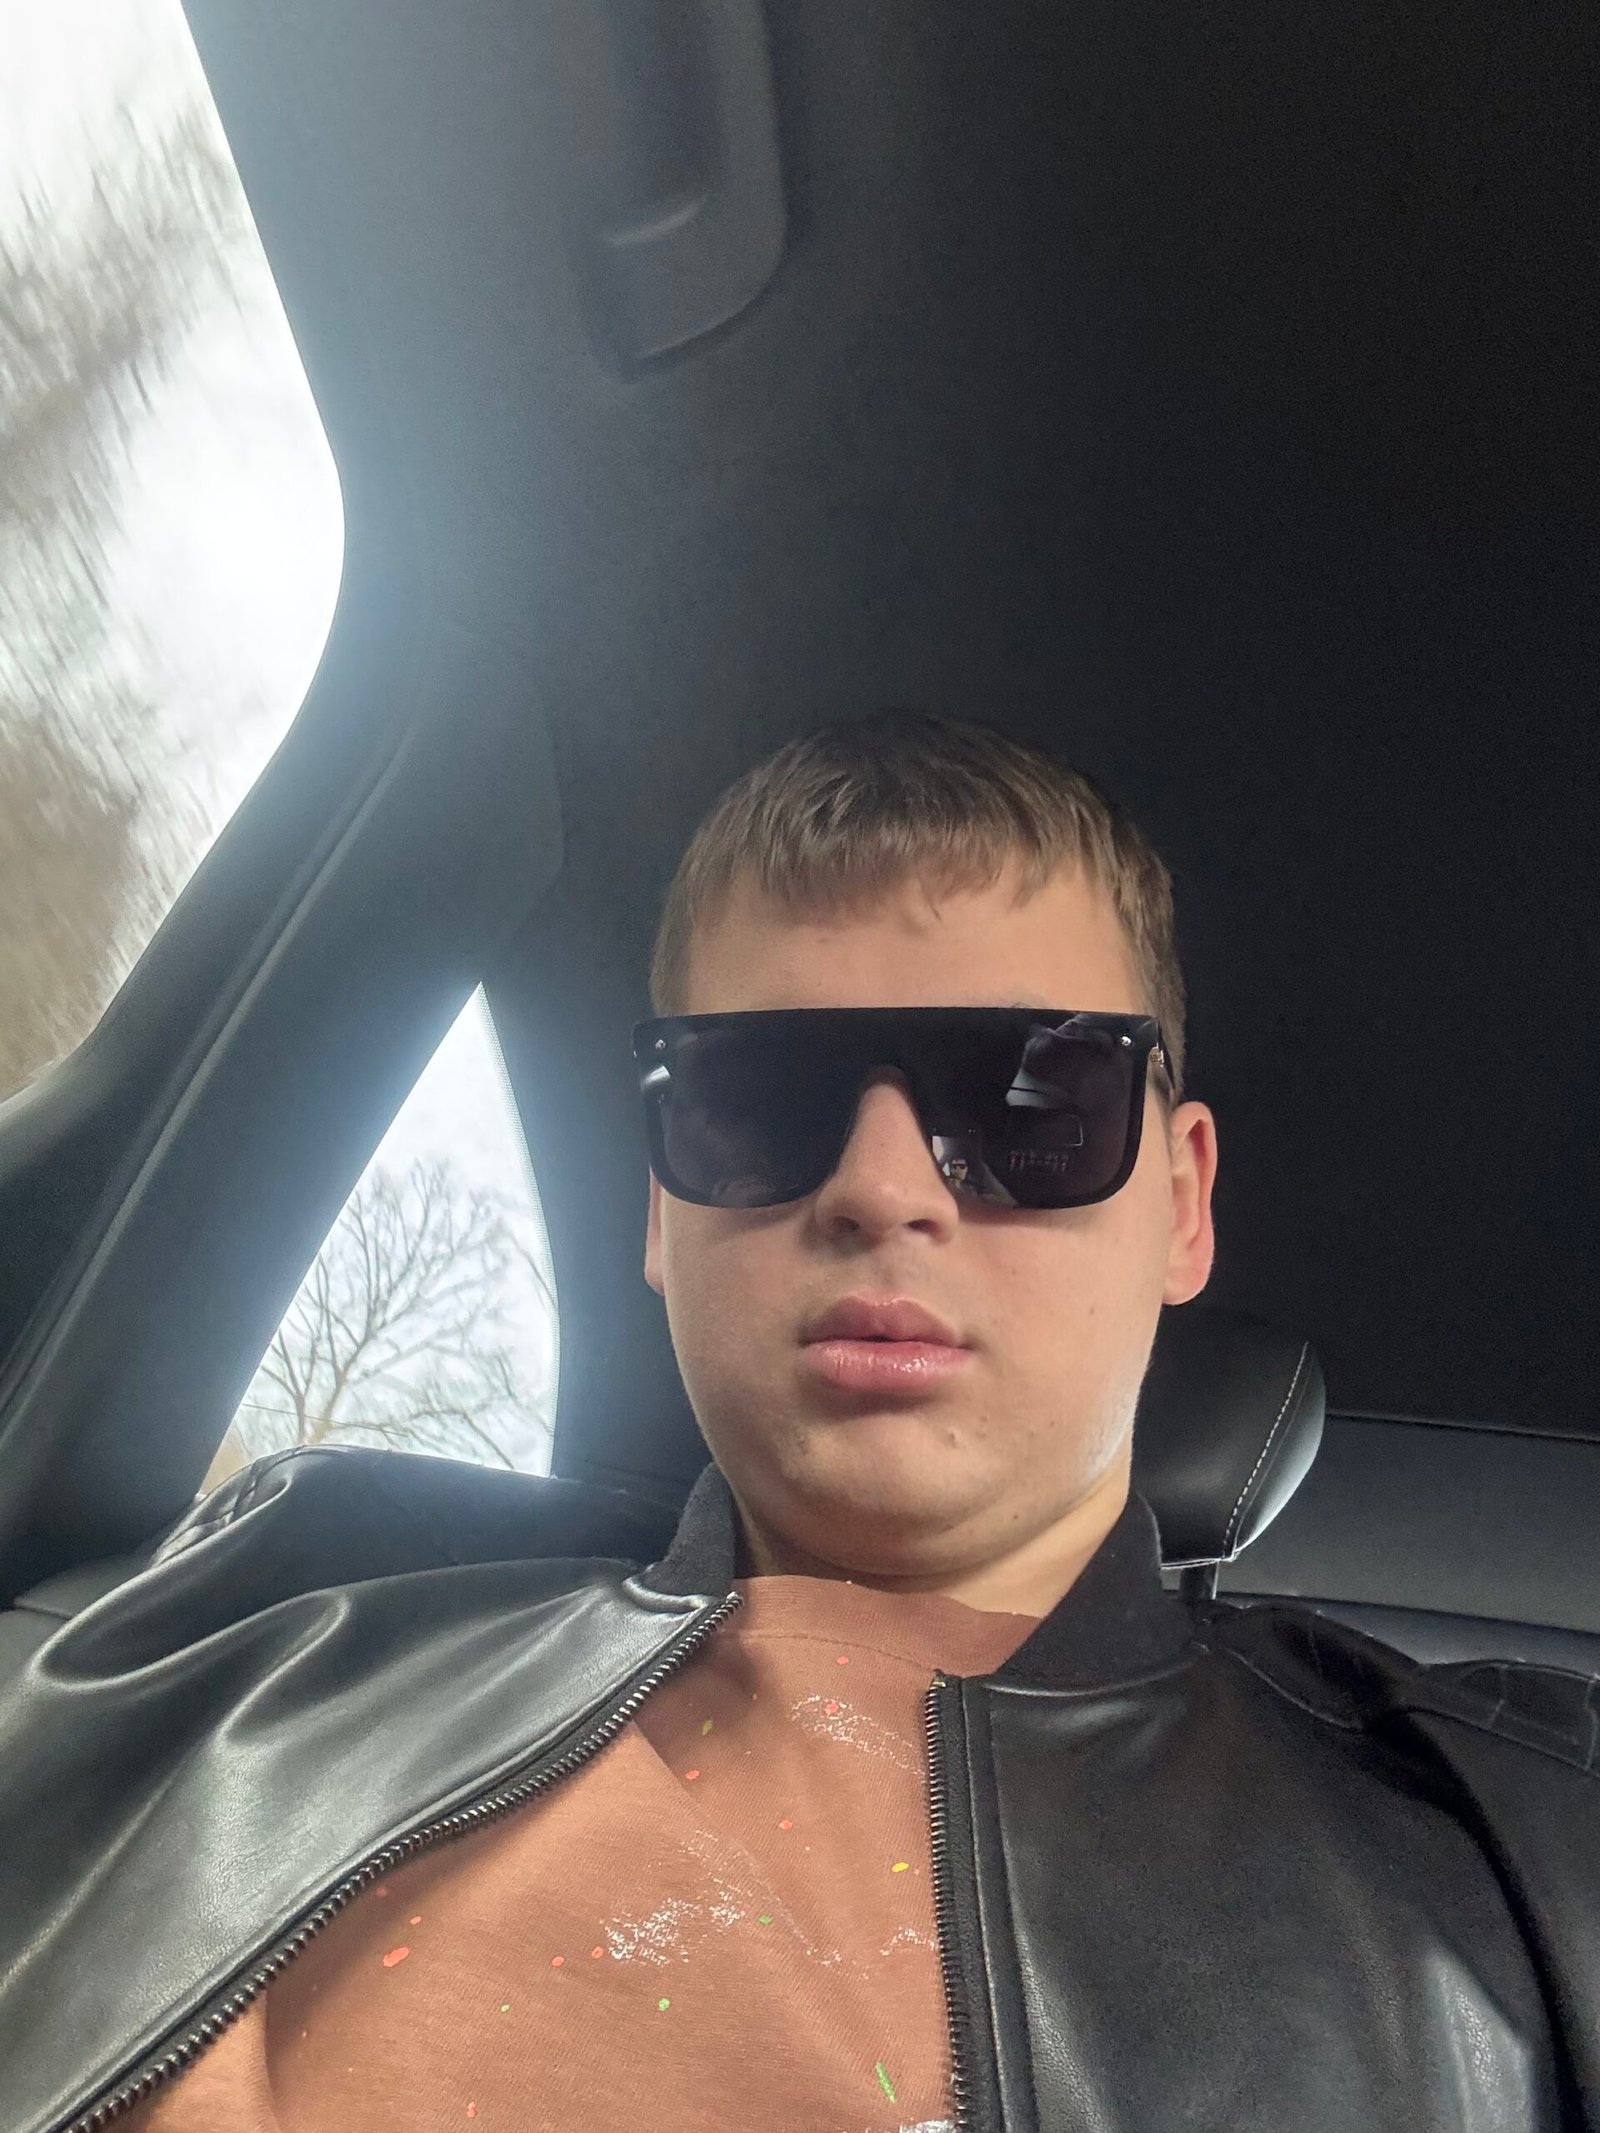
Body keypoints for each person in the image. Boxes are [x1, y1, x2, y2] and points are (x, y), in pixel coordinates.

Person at [3, 709, 1597, 2133]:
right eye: (757, 1100)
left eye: (1027, 1102)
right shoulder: (258, 1643)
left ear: (1181, 1202)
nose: (882, 1187)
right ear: (658, 1207)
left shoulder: (1521, 1856)